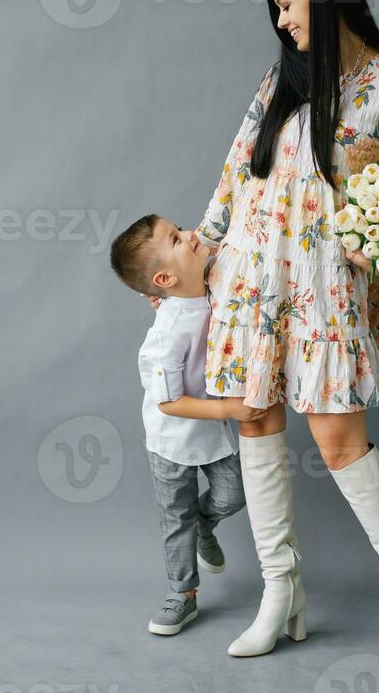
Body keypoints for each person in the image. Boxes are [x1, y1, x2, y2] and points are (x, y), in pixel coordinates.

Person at [189, 0, 379, 678]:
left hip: (324, 290)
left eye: (286, 3)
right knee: (255, 419)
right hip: (252, 280)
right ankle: (280, 594)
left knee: (341, 444)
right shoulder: (278, 82)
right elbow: (233, 173)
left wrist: (372, 252)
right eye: (275, 9)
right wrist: (205, 252)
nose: (281, 22)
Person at [109, 213, 267, 636]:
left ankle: (204, 523)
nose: (193, 235)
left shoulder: (211, 285)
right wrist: (228, 410)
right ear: (164, 279)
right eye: (178, 239)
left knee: (234, 494)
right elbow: (168, 402)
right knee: (174, 517)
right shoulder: (169, 331)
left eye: (181, 229)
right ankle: (183, 594)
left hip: (210, 431)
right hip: (171, 437)